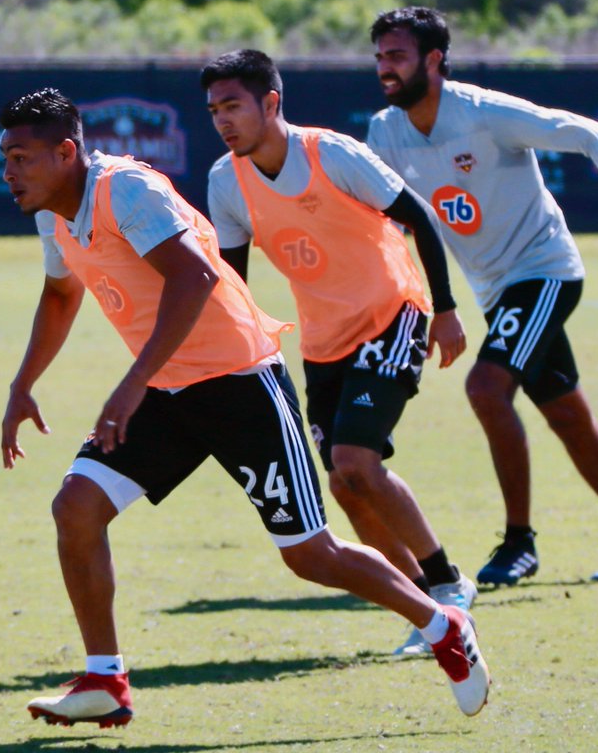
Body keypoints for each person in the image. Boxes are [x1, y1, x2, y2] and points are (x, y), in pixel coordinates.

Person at [0, 88, 489, 728]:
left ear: (66, 152)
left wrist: (130, 383)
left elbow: (195, 277)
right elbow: (61, 296)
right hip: (167, 391)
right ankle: (105, 677)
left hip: (239, 381)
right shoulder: (52, 214)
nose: (8, 172)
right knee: (76, 506)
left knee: (309, 554)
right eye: (4, 158)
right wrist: (21, 384)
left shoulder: (126, 191)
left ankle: (440, 621)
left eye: (21, 158)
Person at [366, 6, 598, 584]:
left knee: (486, 388)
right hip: (495, 291)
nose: (385, 68)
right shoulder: (385, 131)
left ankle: (518, 543)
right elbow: (384, 219)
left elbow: (592, 134)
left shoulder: (483, 114)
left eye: (397, 56)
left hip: (544, 270)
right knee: (568, 417)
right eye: (380, 56)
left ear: (434, 60)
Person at [199, 50, 477, 656]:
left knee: (355, 460)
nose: (223, 120)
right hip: (323, 341)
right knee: (346, 485)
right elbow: (232, 285)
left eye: (233, 106)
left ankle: (449, 585)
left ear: (271, 103)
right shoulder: (226, 181)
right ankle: (426, 610)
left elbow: (420, 218)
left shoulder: (332, 153)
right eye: (214, 110)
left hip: (392, 314)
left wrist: (448, 309)